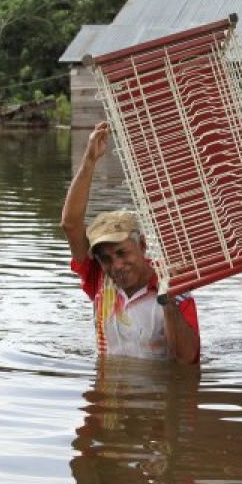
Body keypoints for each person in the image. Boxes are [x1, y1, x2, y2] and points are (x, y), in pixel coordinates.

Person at [61, 122, 200, 364]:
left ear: (143, 246)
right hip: (110, 397)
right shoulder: (99, 279)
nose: (116, 265)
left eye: (122, 253)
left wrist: (168, 301)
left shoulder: (172, 283)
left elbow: (186, 361)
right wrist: (90, 160)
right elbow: (70, 225)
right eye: (106, 258)